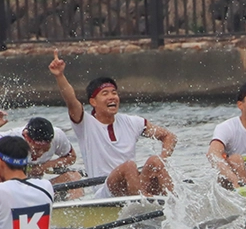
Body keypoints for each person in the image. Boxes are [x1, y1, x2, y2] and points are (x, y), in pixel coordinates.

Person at [48, 51, 176, 197]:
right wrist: (59, 76)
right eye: (105, 94)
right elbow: (71, 100)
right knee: (129, 166)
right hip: (104, 190)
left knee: (155, 161)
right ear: (93, 102)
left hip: (133, 185)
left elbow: (169, 136)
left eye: (114, 93)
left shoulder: (132, 122)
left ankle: (176, 205)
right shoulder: (85, 123)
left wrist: (163, 158)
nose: (112, 97)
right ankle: (140, 203)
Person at [0, 116, 82, 195]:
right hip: (12, 187)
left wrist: (44, 166)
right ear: (26, 137)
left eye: (45, 149)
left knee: (74, 177)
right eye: (36, 149)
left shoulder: (58, 136)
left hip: (37, 187)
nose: (40, 153)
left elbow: (71, 157)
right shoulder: (9, 139)